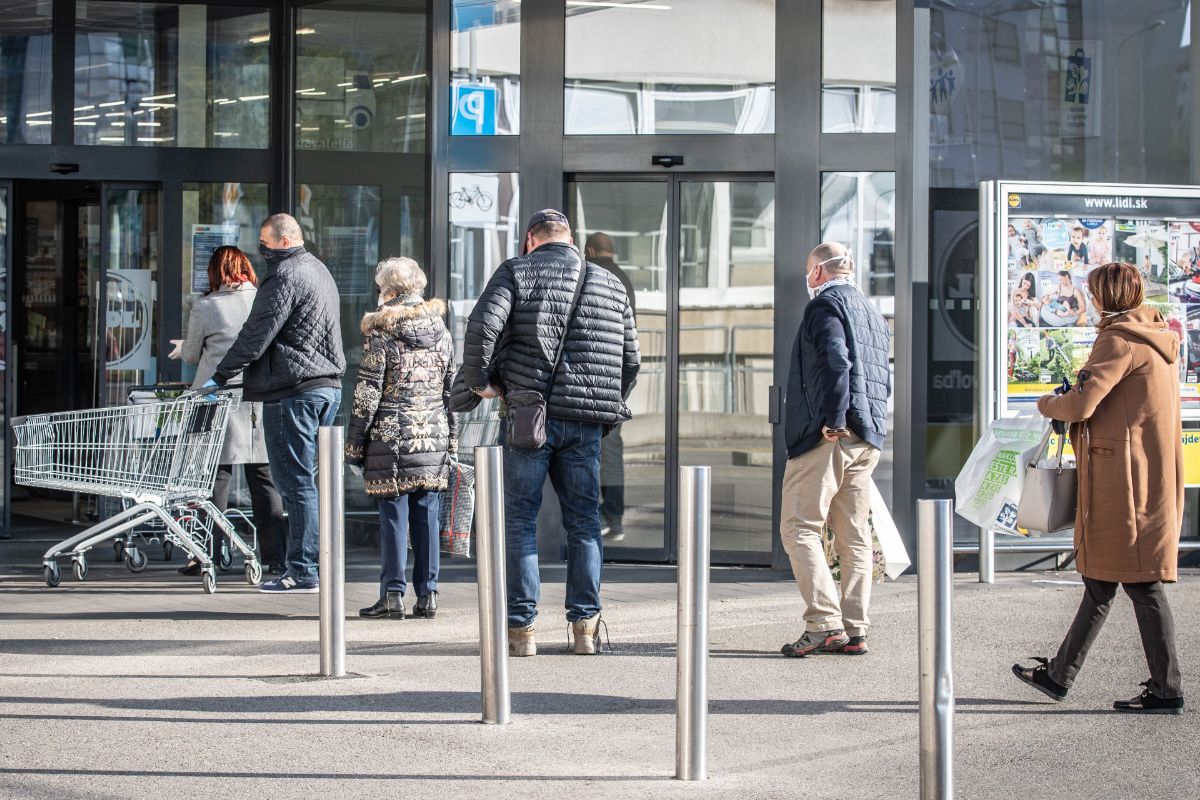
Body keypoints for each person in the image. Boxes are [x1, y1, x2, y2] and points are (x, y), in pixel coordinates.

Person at [451, 209, 640, 656]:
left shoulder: (516, 271)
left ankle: (522, 631)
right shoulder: (609, 283)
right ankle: (585, 628)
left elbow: (481, 327)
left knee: (520, 520)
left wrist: (480, 384)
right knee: (585, 522)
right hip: (585, 423)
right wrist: (606, 406)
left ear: (530, 240)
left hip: (527, 417)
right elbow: (631, 360)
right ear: (571, 239)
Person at [1013, 262, 1185, 715]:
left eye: (1093, 293)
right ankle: (1059, 675)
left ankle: (1166, 689)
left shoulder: (1118, 339)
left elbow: (1082, 405)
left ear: (1106, 296)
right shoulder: (1156, 336)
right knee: (1104, 579)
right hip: (1145, 474)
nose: (1089, 300)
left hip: (1123, 481)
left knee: (1139, 582)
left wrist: (1047, 402)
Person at [209, 213, 345, 593]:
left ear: (284, 241)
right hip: (325, 387)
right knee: (309, 484)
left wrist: (219, 376)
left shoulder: (284, 274)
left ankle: (302, 570)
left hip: (292, 392)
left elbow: (256, 334)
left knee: (296, 485)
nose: (262, 250)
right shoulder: (318, 270)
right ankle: (316, 565)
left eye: (265, 243)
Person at [779, 242, 891, 658]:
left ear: (818, 272)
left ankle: (824, 623)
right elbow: (881, 377)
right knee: (853, 534)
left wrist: (835, 418)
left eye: (808, 272)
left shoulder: (825, 306)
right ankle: (855, 627)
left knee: (799, 527)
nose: (807, 280)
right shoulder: (871, 312)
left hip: (831, 437)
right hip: (867, 437)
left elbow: (836, 361)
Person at [345, 258, 456, 620]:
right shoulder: (441, 329)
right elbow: (450, 390)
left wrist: (354, 446)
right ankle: (428, 594)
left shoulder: (382, 332)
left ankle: (393, 594)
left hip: (391, 435)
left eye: (381, 288)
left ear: (390, 291)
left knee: (393, 516)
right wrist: (452, 439)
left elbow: (367, 394)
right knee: (427, 516)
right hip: (432, 433)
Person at [171, 246, 286, 575]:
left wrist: (183, 347)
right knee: (263, 480)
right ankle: (275, 558)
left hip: (216, 400)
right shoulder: (264, 300)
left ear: (214, 272)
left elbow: (193, 355)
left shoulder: (206, 306)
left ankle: (207, 553)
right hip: (258, 399)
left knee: (214, 479)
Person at [584, 232, 636, 543]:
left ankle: (607, 516)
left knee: (598, 445)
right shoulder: (624, 280)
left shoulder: (590, 276)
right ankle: (612, 515)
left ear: (590, 251)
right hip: (617, 375)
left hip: (596, 374)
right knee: (610, 443)